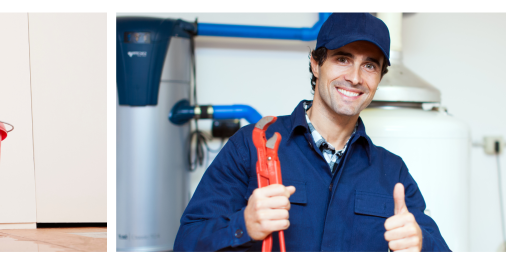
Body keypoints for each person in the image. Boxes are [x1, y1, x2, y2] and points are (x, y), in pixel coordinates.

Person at [173, 13, 451, 252]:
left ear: (379, 78)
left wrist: (421, 244)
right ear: (316, 64)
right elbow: (186, 243)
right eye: (343, 59)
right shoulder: (250, 146)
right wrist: (242, 225)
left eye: (369, 65)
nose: (355, 77)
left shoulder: (392, 172)